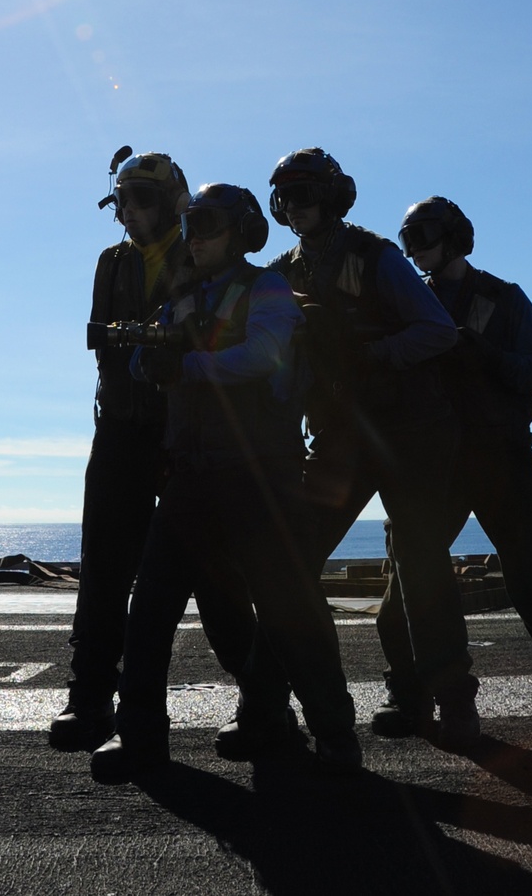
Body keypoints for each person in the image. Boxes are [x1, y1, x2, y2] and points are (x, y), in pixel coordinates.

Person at [90, 183, 362, 783]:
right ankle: (138, 736)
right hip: (191, 475)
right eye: (191, 227)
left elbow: (264, 356)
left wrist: (184, 363)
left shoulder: (265, 289)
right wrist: (150, 356)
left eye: (208, 226)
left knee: (293, 612)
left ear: (240, 231)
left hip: (260, 477)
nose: (196, 237)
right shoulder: (185, 294)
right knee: (151, 612)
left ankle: (334, 732)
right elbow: (144, 356)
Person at [230, 148, 479, 752]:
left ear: (334, 196)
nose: (296, 205)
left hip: (408, 433)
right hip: (341, 435)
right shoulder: (280, 272)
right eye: (286, 196)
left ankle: (454, 708)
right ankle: (263, 709)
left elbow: (437, 330)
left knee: (421, 570)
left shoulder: (376, 257)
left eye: (306, 193)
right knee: (290, 565)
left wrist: (374, 355)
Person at [385, 196, 532, 734]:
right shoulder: (404, 304)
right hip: (431, 463)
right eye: (408, 239)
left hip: (500, 458)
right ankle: (413, 695)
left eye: (423, 235)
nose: (415, 249)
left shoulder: (504, 299)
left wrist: (485, 357)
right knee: (408, 584)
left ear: (456, 237)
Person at [49, 149, 199, 751]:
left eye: (142, 202)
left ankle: (264, 704)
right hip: (120, 429)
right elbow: (106, 347)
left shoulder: (203, 255)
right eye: (123, 204)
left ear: (171, 203)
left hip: (187, 431)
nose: (130, 214)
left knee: (215, 579)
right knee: (104, 568)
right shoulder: (110, 263)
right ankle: (88, 699)